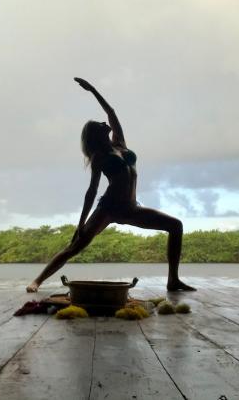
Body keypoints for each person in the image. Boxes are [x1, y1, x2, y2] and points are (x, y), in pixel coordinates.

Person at [26, 78, 196, 292]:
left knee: (175, 226)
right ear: (95, 134)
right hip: (108, 208)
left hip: (131, 208)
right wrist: (80, 224)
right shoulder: (99, 157)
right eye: (99, 124)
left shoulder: (120, 143)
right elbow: (92, 191)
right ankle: (37, 281)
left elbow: (111, 113)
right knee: (74, 247)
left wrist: (93, 91)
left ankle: (173, 280)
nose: (104, 123)